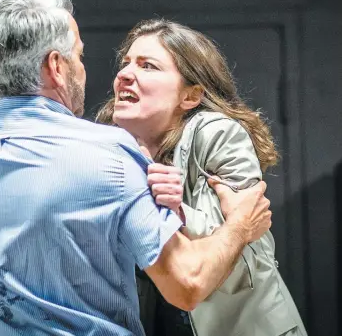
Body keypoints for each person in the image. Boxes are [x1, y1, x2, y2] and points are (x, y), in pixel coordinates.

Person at [0, 0, 272, 336]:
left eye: (148, 66)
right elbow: (187, 282)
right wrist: (239, 226)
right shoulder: (108, 153)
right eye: (78, 57)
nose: (116, 74)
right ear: (56, 66)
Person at [96, 18, 307, 336]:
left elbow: (243, 220)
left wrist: (175, 209)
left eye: (148, 66)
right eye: (125, 64)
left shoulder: (217, 133)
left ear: (190, 96)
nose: (125, 75)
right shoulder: (107, 147)